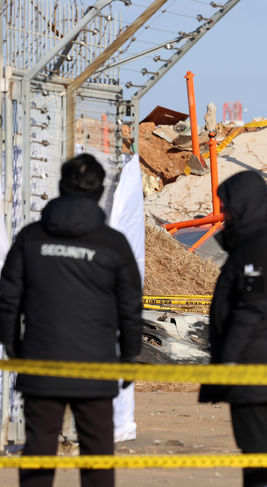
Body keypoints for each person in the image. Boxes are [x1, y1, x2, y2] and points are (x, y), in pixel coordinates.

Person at [0, 153, 143, 487]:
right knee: (97, 455)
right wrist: (129, 359)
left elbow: (8, 299)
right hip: (96, 365)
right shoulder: (114, 244)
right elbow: (130, 307)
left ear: (60, 187)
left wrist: (16, 350)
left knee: (38, 450)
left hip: (42, 362)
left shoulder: (31, 237)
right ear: (99, 192)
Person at [198, 171, 267, 487]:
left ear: (244, 206)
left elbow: (251, 309)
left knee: (258, 449)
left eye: (228, 207)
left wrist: (227, 362)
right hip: (261, 363)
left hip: (253, 366)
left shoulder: (257, 247)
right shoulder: (263, 243)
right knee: (264, 449)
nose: (224, 214)